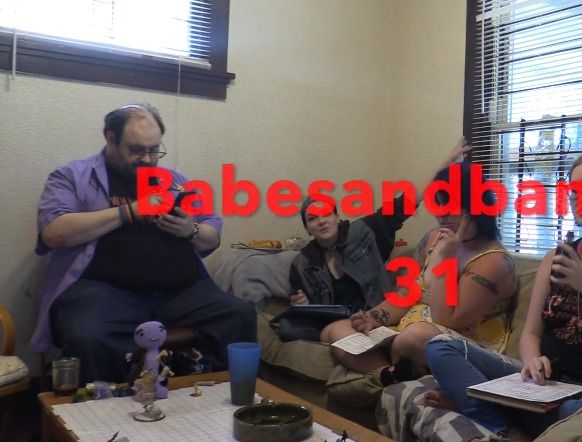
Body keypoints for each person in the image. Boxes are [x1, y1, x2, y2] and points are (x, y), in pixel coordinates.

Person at [423, 149, 582, 441]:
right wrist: (532, 361)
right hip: (543, 384)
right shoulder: (556, 256)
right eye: (575, 190)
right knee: (441, 347)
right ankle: (509, 427)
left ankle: (488, 410)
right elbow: (530, 333)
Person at [32, 103, 256, 383]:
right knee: (87, 336)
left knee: (240, 314)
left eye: (154, 150)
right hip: (103, 292)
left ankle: (226, 399)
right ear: (111, 138)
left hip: (180, 293)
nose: (148, 159)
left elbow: (212, 234)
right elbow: (54, 232)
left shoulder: (175, 181)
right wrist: (129, 212)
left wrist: (190, 229)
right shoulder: (71, 176)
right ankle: (103, 409)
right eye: (137, 150)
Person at [320, 161, 518, 384]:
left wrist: (447, 259)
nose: (442, 215)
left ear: (476, 207)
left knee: (414, 337)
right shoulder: (434, 238)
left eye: (451, 206)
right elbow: (406, 293)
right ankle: (388, 374)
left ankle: (393, 369)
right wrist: (371, 318)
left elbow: (446, 320)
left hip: (454, 345)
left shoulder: (494, 261)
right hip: (405, 335)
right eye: (438, 205)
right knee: (336, 330)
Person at [279, 139, 473, 342]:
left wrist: (446, 162)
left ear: (337, 217)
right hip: (330, 321)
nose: (321, 221)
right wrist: (301, 303)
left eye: (326, 214)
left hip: (371, 317)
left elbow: (407, 201)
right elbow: (304, 306)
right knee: (288, 329)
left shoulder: (365, 231)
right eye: (312, 218)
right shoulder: (302, 263)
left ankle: (349, 340)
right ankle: (335, 338)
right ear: (307, 229)